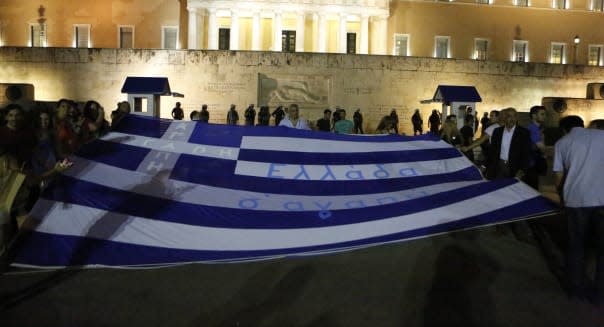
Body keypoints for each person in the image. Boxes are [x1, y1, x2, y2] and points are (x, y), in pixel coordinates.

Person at [553, 115, 604, 305]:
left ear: (564, 129)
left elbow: (558, 176)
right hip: (603, 198)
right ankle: (600, 295)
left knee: (576, 246)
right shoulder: (602, 137)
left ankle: (575, 290)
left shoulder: (562, 142)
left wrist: (561, 197)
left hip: (576, 200)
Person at [485, 108, 531, 180]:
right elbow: (492, 151)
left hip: (515, 168)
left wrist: (522, 170)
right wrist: (485, 165)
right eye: (509, 116)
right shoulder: (497, 131)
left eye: (514, 116)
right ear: (504, 118)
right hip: (499, 166)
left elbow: (526, 153)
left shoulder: (524, 132)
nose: (512, 119)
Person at [524, 105, 547, 190]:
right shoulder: (533, 128)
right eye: (542, 114)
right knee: (532, 189)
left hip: (532, 163)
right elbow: (541, 146)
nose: (545, 116)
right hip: (531, 164)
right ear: (534, 115)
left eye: (545, 114)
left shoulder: (536, 128)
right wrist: (546, 154)